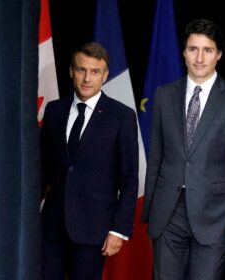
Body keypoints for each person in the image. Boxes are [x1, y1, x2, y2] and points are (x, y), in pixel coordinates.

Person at [142, 19, 225, 280]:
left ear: (218, 55)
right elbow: (156, 157)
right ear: (184, 53)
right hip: (168, 214)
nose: (200, 58)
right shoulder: (164, 95)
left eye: (207, 50)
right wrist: (150, 209)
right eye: (193, 49)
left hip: (214, 215)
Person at [40, 42, 139, 280]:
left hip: (94, 229)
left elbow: (129, 179)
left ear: (105, 76)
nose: (87, 78)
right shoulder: (54, 111)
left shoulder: (121, 116)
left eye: (95, 72)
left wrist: (118, 230)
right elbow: (42, 168)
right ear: (71, 72)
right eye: (81, 70)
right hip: (51, 228)